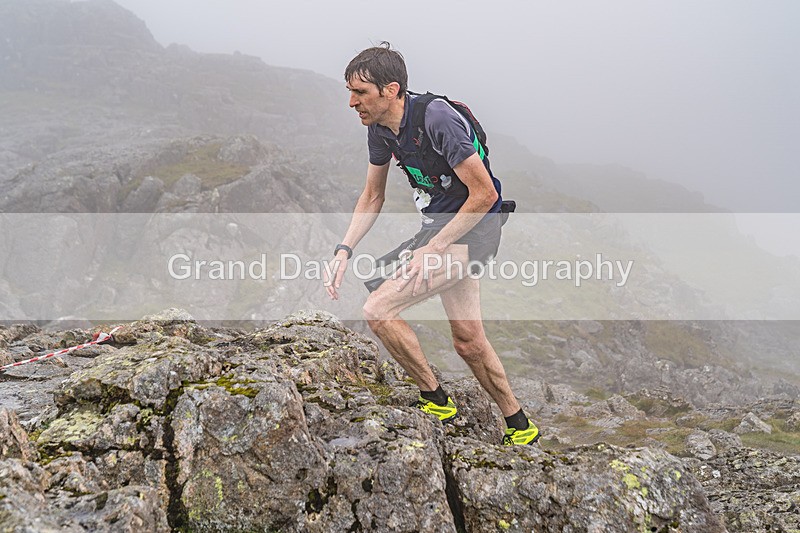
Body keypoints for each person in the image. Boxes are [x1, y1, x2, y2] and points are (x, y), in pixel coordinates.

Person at [325, 43, 539, 446]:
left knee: (378, 308)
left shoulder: (436, 118)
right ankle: (521, 426)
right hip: (440, 230)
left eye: (360, 92)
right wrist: (344, 249)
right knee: (468, 341)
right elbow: (372, 196)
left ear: (391, 90)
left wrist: (435, 247)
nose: (352, 102)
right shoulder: (379, 129)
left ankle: (436, 401)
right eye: (350, 92)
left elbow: (485, 194)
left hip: (476, 229)